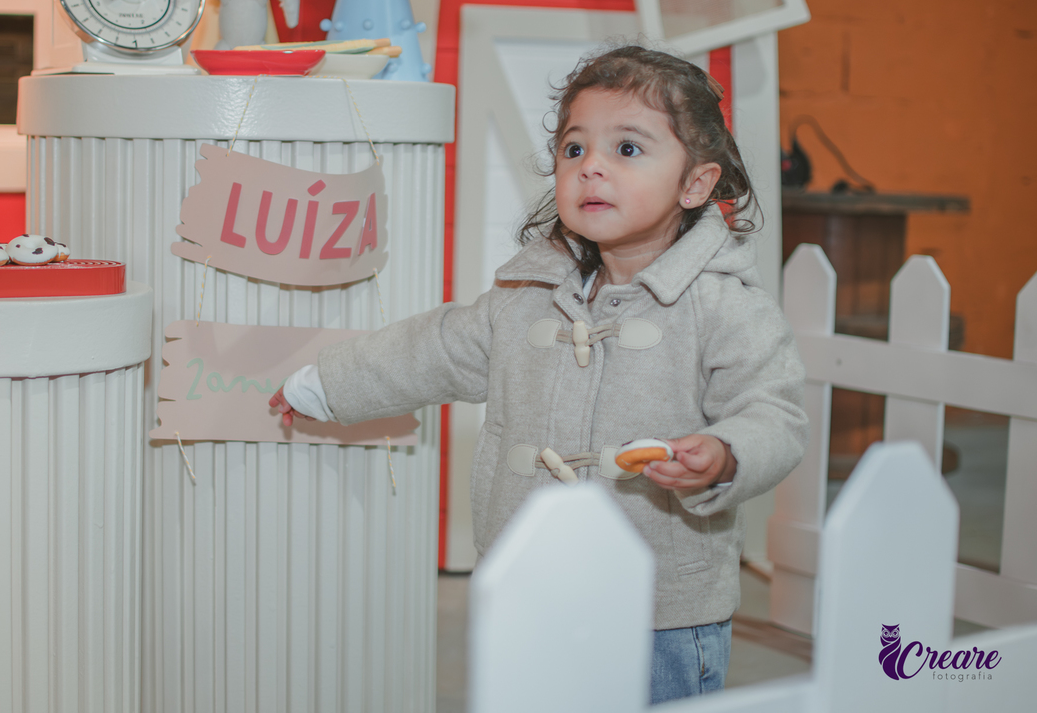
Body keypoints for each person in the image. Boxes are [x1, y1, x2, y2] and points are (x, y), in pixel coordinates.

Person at [269, 44, 809, 704]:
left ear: (696, 184)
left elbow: (774, 414)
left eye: (629, 150)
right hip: (531, 588)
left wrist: (726, 456)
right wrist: (326, 384)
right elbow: (430, 350)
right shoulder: (528, 297)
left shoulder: (725, 308)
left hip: (659, 614)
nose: (592, 170)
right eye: (574, 150)